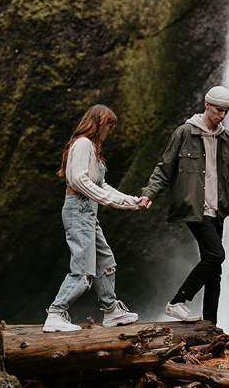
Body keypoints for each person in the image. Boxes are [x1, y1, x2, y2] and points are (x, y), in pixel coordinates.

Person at [43, 104, 151, 333]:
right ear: (99, 123)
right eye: (109, 126)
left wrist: (133, 201)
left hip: (87, 211)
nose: (110, 132)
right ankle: (55, 313)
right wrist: (110, 201)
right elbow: (80, 181)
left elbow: (102, 186)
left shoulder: (92, 148)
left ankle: (111, 311)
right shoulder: (83, 143)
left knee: (105, 260)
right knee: (83, 269)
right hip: (79, 209)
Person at [141, 86, 229, 325]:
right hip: (195, 209)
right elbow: (164, 168)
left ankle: (211, 326)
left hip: (218, 211)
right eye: (218, 110)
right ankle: (177, 302)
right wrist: (149, 193)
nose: (221, 115)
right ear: (206, 104)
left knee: (215, 273)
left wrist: (224, 204)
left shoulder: (228, 140)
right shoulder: (184, 133)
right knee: (216, 256)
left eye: (226, 111)